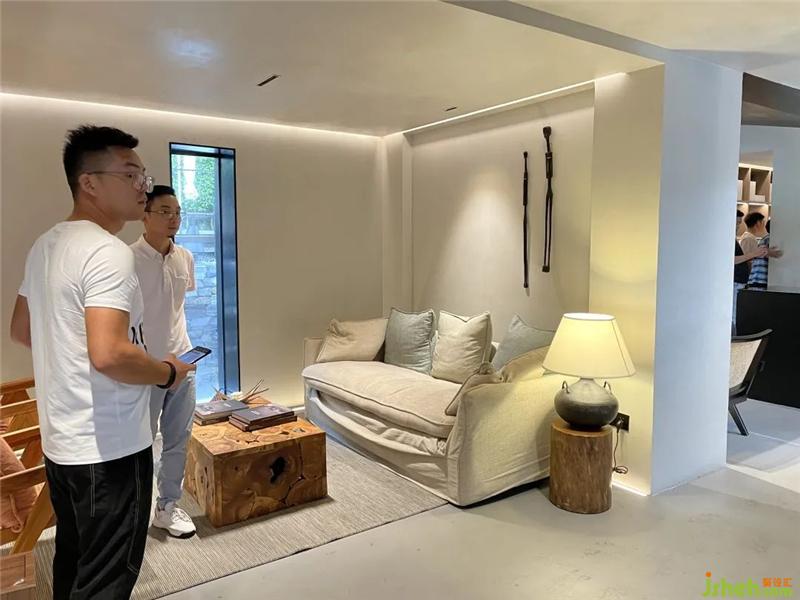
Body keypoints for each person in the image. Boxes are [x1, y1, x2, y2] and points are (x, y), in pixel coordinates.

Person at [9, 125, 195, 599]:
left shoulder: (46, 245)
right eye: (130, 174)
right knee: (106, 580)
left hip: (63, 444)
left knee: (74, 561)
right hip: (110, 449)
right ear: (88, 182)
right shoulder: (109, 252)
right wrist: (167, 371)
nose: (142, 186)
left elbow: (22, 330)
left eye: (143, 174)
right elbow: (110, 352)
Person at [130, 185, 198, 538]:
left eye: (178, 212)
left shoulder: (184, 257)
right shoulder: (126, 259)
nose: (174, 218)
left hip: (183, 361)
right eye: (165, 211)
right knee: (140, 442)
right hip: (147, 367)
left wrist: (183, 355)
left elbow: (177, 309)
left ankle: (167, 507)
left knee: (178, 440)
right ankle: (133, 512)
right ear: (145, 215)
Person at [733, 211, 766, 332]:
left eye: (739, 223)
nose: (738, 226)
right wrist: (754, 254)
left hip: (739, 282)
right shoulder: (747, 238)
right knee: (734, 316)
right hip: (736, 282)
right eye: (736, 223)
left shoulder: (736, 238)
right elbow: (731, 260)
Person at [747, 221, 783, 290]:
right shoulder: (769, 239)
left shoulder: (765, 239)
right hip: (761, 279)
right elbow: (769, 253)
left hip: (755, 278)